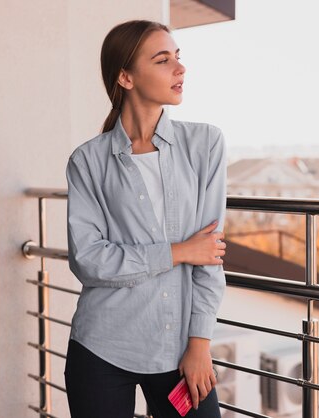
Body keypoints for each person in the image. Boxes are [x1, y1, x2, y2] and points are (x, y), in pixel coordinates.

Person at [63, 19, 227, 418]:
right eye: (162, 59)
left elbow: (210, 255)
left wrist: (200, 343)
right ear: (126, 77)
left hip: (181, 352)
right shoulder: (87, 161)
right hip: (100, 348)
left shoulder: (205, 144)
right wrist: (178, 252)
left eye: (178, 58)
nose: (179, 68)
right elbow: (88, 260)